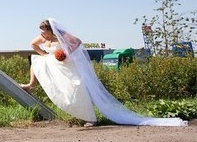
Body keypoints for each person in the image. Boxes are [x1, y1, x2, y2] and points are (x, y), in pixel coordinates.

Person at [21, 18, 187, 127]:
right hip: (56, 63)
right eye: (41, 31)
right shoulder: (43, 38)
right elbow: (33, 45)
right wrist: (46, 54)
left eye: (44, 31)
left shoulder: (62, 36)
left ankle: (90, 118)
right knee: (37, 60)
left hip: (69, 64)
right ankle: (31, 85)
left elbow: (78, 42)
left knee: (77, 88)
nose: (42, 33)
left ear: (52, 30)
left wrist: (66, 52)